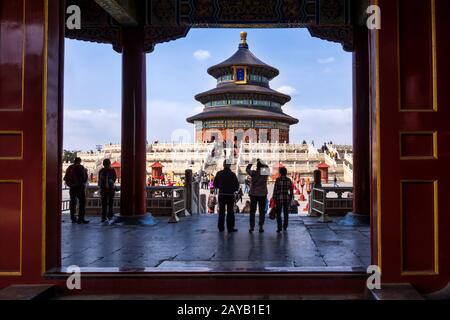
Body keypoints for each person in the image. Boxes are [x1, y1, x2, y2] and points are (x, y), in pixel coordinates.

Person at [213, 160, 240, 232]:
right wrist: (232, 189)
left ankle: (221, 228)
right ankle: (230, 228)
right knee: (230, 212)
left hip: (222, 195)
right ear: (230, 165)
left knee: (221, 211)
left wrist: (221, 187)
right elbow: (237, 186)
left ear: (223, 165)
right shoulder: (233, 175)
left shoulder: (219, 173)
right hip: (230, 195)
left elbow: (215, 184)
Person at [63, 157, 89, 224]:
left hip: (72, 188)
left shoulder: (70, 167)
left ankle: (73, 218)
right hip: (80, 188)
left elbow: (65, 178)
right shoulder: (81, 167)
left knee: (72, 203)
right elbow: (84, 178)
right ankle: (81, 218)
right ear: (79, 161)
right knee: (82, 203)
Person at [246, 159, 269, 233]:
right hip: (262, 194)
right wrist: (262, 162)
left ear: (257, 167)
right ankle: (261, 226)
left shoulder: (253, 173)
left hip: (253, 194)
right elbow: (267, 167)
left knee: (252, 211)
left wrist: (251, 162)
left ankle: (251, 227)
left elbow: (247, 169)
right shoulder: (265, 173)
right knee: (262, 211)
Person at [272, 167, 294, 233]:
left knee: (278, 214)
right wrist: (291, 197)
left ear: (280, 173)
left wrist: (274, 197)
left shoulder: (278, 180)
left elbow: (275, 190)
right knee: (286, 213)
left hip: (279, 198)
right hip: (286, 198)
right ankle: (285, 226)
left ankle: (279, 227)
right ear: (286, 172)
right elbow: (291, 190)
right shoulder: (289, 180)